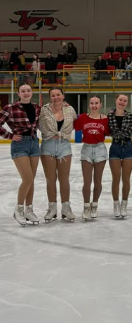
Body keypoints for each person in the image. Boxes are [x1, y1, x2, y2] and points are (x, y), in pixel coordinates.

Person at [0, 84, 41, 226]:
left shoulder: (37, 107)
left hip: (34, 143)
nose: (26, 93)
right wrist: (10, 136)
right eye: (23, 91)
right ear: (18, 93)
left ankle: (29, 210)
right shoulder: (10, 108)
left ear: (32, 92)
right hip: (20, 145)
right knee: (27, 178)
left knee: (31, 180)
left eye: (28, 90)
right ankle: (18, 210)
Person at [39, 87, 77, 222]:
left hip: (64, 145)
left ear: (63, 96)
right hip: (48, 145)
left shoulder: (70, 110)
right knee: (50, 179)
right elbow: (36, 124)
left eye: (58, 95)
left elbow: (75, 123)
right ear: (50, 97)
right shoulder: (43, 110)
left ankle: (66, 209)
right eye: (53, 95)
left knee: (64, 179)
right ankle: (52, 209)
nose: (56, 97)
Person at [74, 96, 110, 220]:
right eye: (92, 103)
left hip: (100, 149)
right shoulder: (83, 117)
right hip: (86, 149)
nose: (94, 105)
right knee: (87, 181)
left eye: (96, 103)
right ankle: (86, 206)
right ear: (89, 105)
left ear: (100, 104)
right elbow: (74, 126)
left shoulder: (106, 119)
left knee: (98, 181)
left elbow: (111, 132)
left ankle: (94, 204)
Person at [108, 94, 132, 218]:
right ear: (116, 100)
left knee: (126, 179)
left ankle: (124, 204)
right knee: (116, 178)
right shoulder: (109, 116)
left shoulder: (131, 117)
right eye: (120, 100)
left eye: (125, 101)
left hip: (128, 148)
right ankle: (116, 204)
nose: (122, 102)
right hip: (115, 147)